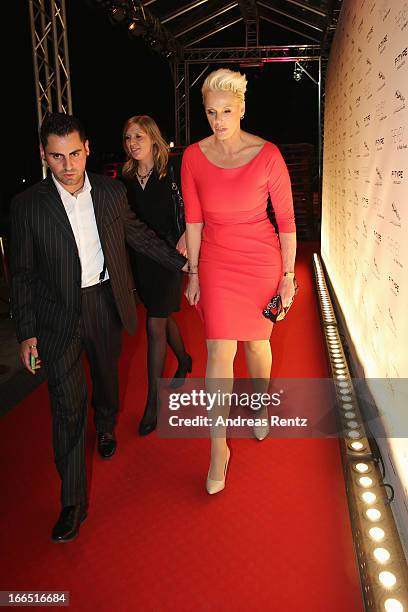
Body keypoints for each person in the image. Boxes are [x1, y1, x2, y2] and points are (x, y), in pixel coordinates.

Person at [10, 113, 187, 542]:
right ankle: (73, 501)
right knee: (66, 406)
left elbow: (139, 236)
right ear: (43, 155)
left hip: (103, 303)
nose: (68, 165)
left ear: (87, 148)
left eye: (74, 153)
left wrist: (187, 264)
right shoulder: (28, 206)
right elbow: (21, 273)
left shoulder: (110, 193)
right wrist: (27, 331)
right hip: (55, 316)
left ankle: (106, 425)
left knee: (107, 380)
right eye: (57, 156)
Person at [181, 68, 297, 494]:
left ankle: (261, 404)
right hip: (215, 259)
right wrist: (193, 271)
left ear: (242, 108)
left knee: (256, 343)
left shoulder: (268, 155)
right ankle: (217, 450)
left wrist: (287, 277)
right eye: (211, 112)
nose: (219, 120)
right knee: (217, 351)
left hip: (260, 259)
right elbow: (192, 220)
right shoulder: (193, 156)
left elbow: (285, 221)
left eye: (227, 110)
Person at [121, 115, 192, 436]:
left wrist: (187, 237)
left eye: (139, 136)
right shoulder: (124, 177)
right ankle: (184, 358)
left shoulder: (172, 169)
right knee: (160, 316)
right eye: (127, 138)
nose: (133, 143)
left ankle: (153, 402)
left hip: (170, 255)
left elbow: (191, 205)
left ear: (153, 138)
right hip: (142, 260)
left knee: (154, 324)